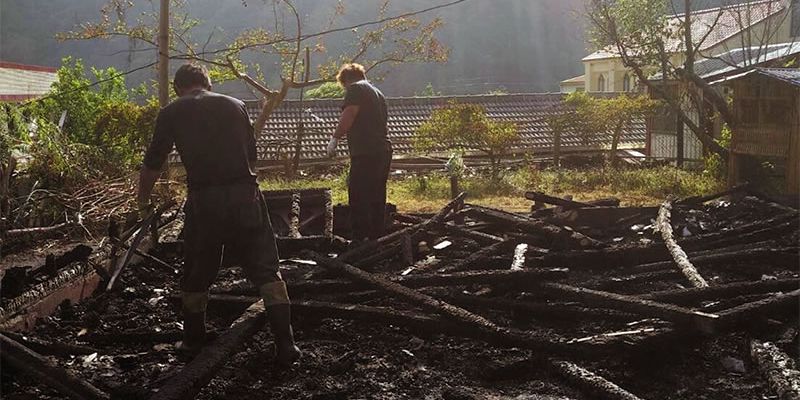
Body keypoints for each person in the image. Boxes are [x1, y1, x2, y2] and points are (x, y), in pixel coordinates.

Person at [136, 63, 300, 365]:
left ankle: (192, 341)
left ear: (178, 88)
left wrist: (142, 201)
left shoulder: (172, 112)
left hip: (205, 200)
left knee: (198, 269)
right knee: (266, 268)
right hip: (245, 195)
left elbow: (153, 162)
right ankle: (286, 344)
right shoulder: (236, 106)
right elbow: (252, 157)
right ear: (207, 83)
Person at [327, 63, 392, 242]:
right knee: (377, 194)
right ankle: (376, 236)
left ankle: (360, 237)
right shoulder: (378, 93)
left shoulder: (355, 89)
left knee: (358, 194)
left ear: (346, 79)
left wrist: (335, 138)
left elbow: (349, 114)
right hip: (383, 149)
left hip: (366, 151)